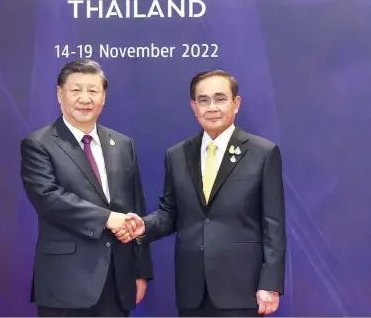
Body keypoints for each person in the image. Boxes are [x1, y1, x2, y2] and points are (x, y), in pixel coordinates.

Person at [114, 70, 286, 317]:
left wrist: (270, 284)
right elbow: (170, 212)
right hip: (192, 290)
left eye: (220, 99)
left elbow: (274, 224)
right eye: (203, 100)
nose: (212, 107)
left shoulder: (263, 153)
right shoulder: (177, 154)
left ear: (236, 103)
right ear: (194, 107)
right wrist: (143, 226)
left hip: (241, 289)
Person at [20, 59, 153, 317]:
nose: (85, 98)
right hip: (65, 284)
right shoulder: (39, 144)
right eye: (76, 90)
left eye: (93, 91)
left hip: (117, 282)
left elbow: (136, 208)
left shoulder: (123, 144)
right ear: (60, 94)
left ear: (103, 97)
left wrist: (140, 271)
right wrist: (107, 219)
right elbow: (49, 199)